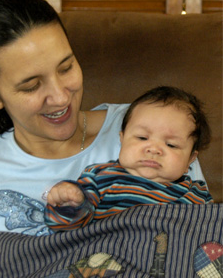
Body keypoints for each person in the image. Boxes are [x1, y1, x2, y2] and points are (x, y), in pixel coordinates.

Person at [0, 0, 205, 278]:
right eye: (32, 85)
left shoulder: (153, 128)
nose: (60, 97)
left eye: (66, 67)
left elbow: (201, 249)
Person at [45, 87, 213, 231]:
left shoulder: (196, 194)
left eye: (171, 145)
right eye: (142, 137)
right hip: (106, 260)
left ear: (190, 160)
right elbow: (64, 228)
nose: (153, 149)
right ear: (122, 139)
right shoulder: (100, 177)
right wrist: (70, 204)